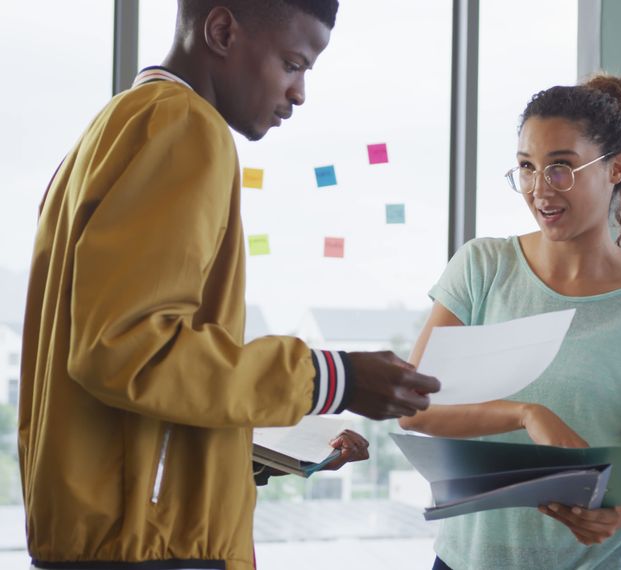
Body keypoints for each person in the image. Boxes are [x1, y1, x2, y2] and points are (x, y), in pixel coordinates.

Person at [19, 1, 439, 569]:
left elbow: (120, 379)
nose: (299, 92)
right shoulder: (184, 126)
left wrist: (245, 452)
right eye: (294, 62)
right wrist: (334, 379)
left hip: (107, 537)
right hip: (149, 551)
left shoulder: (111, 128)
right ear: (220, 31)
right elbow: (129, 350)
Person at [398, 75, 621, 569]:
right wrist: (526, 414)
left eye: (561, 168)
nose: (540, 189)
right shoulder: (483, 268)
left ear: (615, 169)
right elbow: (416, 408)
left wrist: (615, 515)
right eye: (526, 168)